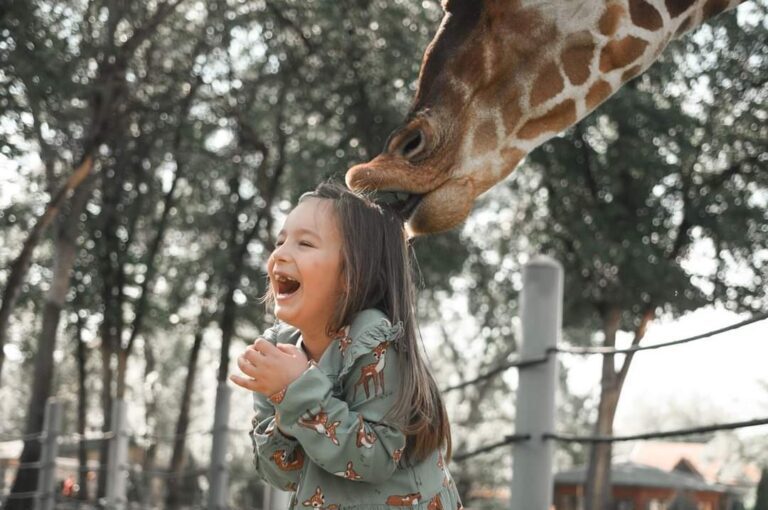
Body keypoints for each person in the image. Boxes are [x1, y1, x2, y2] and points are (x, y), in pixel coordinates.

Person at [230, 182, 462, 509]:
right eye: (280, 241)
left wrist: (297, 391)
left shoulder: (373, 340)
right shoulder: (277, 354)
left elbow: (377, 456)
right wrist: (285, 408)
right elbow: (281, 475)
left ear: (350, 274)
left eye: (305, 244)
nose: (279, 253)